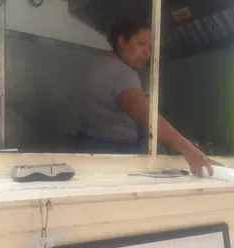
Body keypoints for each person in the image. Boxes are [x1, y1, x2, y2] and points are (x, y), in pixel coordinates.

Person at [79, 19, 222, 176]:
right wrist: (191, 152)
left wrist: (140, 100)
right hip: (117, 154)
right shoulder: (124, 74)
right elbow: (148, 118)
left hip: (93, 149)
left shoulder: (99, 65)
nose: (147, 52)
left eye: (150, 47)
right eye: (141, 43)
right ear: (122, 41)